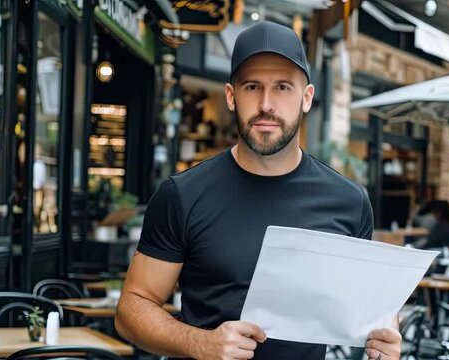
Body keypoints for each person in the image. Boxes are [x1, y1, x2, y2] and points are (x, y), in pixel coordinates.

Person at [115, 21, 401, 360]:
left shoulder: (349, 201)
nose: (266, 104)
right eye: (252, 86)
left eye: (282, 87)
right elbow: (131, 309)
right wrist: (201, 343)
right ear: (231, 96)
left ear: (306, 98)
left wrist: (386, 338)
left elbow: (369, 307)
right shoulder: (181, 195)